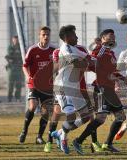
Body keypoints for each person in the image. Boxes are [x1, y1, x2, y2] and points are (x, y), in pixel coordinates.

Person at [71, 29, 127, 154]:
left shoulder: (112, 54)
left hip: (109, 89)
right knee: (101, 118)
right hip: (101, 88)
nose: (113, 38)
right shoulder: (101, 49)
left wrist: (123, 79)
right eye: (110, 36)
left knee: (120, 116)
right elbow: (92, 63)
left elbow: (112, 71)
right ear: (103, 38)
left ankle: (107, 144)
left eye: (114, 36)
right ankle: (78, 141)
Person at [51, 25, 93, 154]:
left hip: (74, 89)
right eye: (74, 35)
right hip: (63, 87)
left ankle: (60, 133)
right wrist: (87, 62)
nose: (77, 37)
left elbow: (89, 58)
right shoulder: (65, 48)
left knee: (87, 116)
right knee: (71, 115)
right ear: (67, 37)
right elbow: (77, 63)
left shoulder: (74, 48)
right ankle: (63, 137)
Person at [19, 26, 56, 144]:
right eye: (43, 34)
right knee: (32, 106)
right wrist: (27, 76)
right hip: (34, 84)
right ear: (39, 36)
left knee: (46, 112)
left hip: (48, 86)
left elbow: (59, 65)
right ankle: (24, 130)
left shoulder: (54, 50)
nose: (46, 37)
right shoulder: (33, 50)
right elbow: (25, 65)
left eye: (47, 35)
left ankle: (39, 137)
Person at [5, 36, 23, 102]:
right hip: (11, 68)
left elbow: (21, 56)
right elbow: (10, 55)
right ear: (12, 40)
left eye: (17, 40)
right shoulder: (10, 47)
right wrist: (16, 57)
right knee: (10, 84)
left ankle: (18, 97)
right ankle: (9, 97)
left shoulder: (20, 47)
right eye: (14, 39)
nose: (15, 41)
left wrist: (14, 58)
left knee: (18, 84)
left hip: (18, 68)